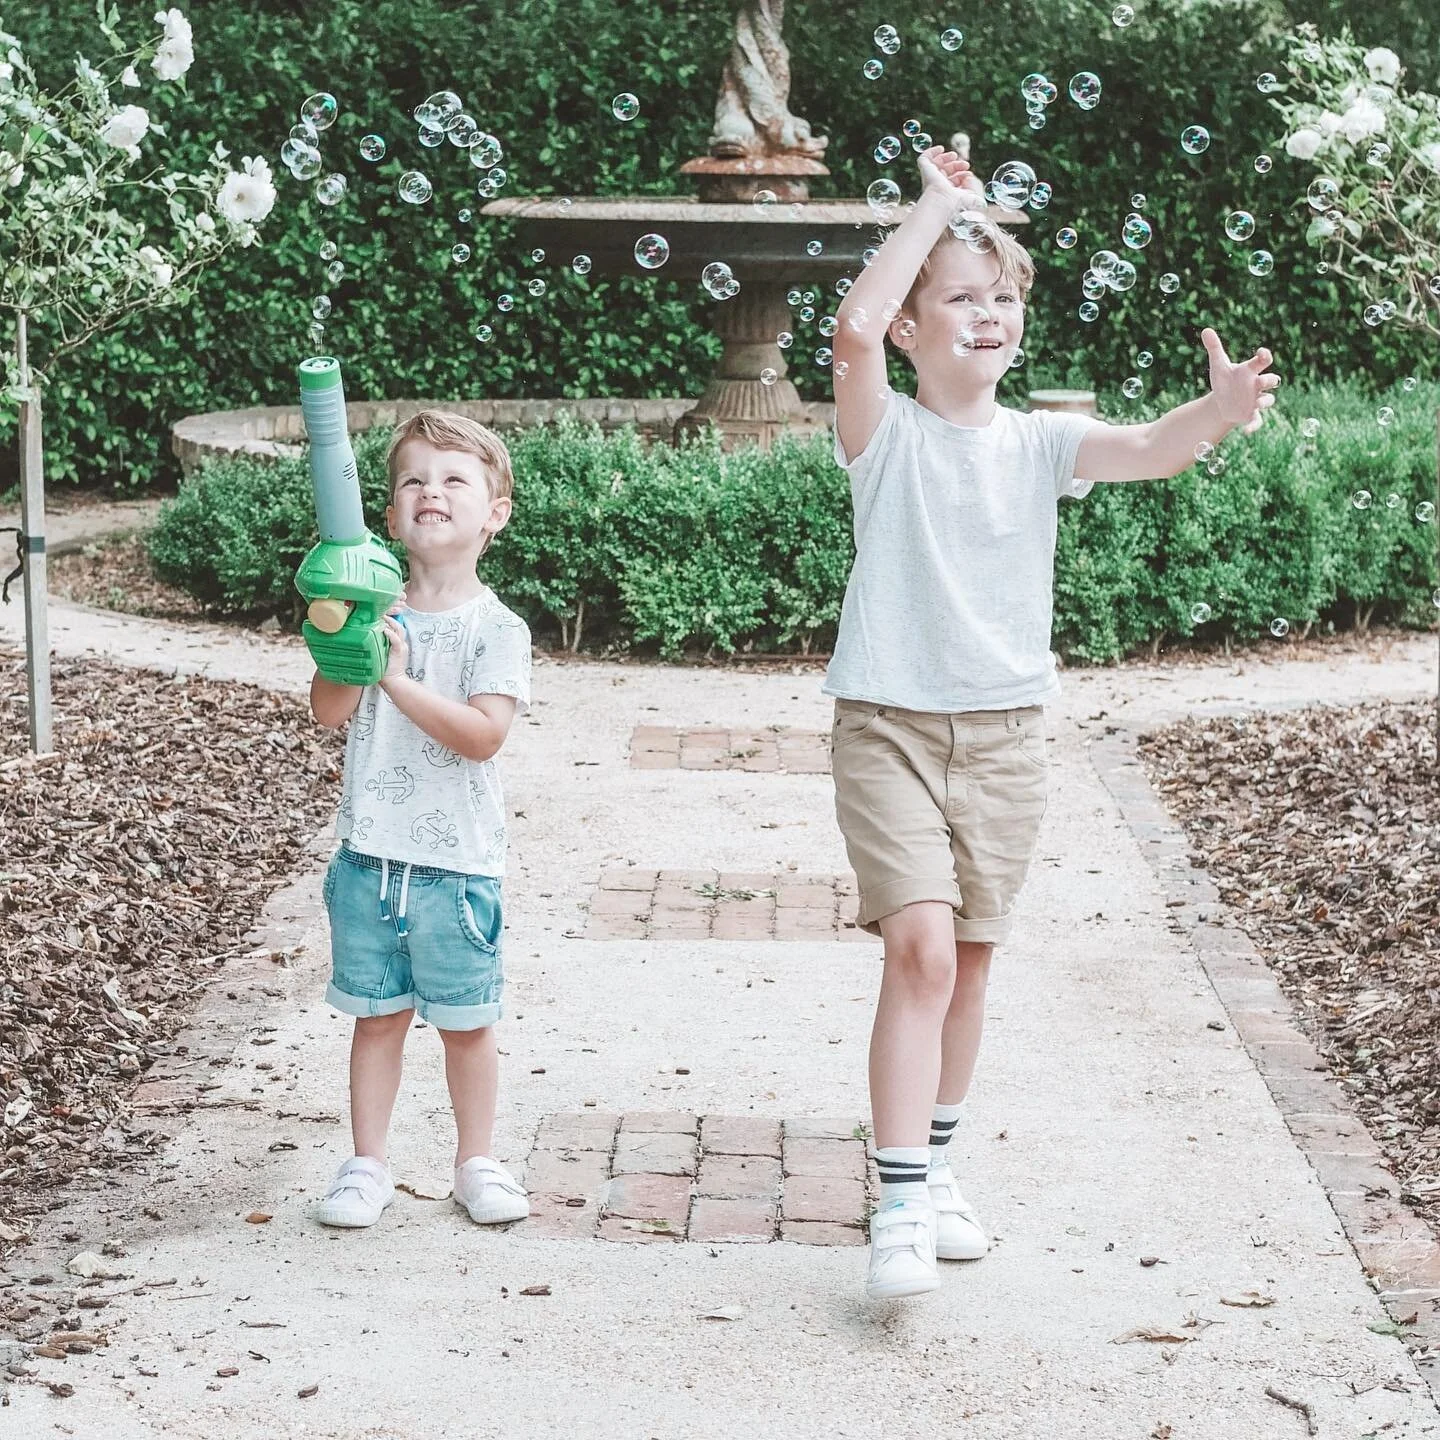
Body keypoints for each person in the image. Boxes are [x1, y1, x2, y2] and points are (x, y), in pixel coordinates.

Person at [829, 147, 1279, 1299]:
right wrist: (937, 209)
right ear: (913, 331)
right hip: (888, 725)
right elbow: (847, 330)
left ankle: (931, 1174)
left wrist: (1217, 415)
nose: (986, 314)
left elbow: (1150, 449)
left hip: (1006, 733)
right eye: (959, 299)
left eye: (1003, 298)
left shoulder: (1037, 445)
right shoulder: (883, 438)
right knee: (920, 949)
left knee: (969, 964)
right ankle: (894, 1207)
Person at [307, 410, 533, 1230]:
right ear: (393, 514)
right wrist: (340, 637)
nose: (429, 491)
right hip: (369, 856)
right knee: (377, 1017)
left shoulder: (497, 628)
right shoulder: (371, 609)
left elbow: (483, 735)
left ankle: (476, 1160)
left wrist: (397, 682)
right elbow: (328, 712)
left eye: (453, 479)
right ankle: (367, 1164)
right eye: (412, 479)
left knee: (466, 1025)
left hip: (460, 868)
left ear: (493, 513)